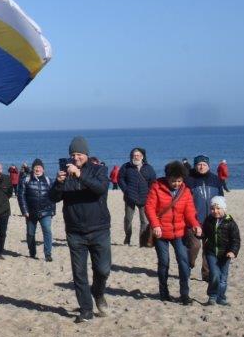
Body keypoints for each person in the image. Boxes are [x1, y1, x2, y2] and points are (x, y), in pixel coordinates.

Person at [49, 136, 112, 324]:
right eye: (73, 154)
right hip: (75, 231)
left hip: (99, 229)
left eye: (79, 154)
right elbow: (53, 198)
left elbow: (100, 188)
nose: (76, 158)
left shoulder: (99, 170)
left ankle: (98, 292)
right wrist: (58, 183)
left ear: (86, 154)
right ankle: (86, 310)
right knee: (79, 273)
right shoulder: (66, 172)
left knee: (103, 269)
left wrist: (79, 175)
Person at [145, 161, 201, 305]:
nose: (176, 184)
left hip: (179, 232)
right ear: (167, 177)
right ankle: (164, 293)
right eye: (173, 181)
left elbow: (189, 211)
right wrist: (155, 225)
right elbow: (149, 208)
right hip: (161, 233)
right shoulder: (156, 187)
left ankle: (185, 294)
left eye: (179, 181)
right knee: (164, 262)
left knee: (183, 262)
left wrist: (195, 224)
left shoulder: (186, 191)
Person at [185, 156, 225, 277]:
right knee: (195, 246)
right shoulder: (189, 180)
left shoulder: (215, 179)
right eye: (199, 164)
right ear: (195, 166)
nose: (201, 167)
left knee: (208, 248)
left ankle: (206, 273)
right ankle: (188, 264)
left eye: (204, 164)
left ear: (208, 166)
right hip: (193, 220)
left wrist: (220, 215)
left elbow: (221, 199)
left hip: (211, 220)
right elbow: (184, 201)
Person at [200, 196, 240, 306]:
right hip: (211, 252)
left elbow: (236, 240)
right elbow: (204, 234)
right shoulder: (208, 220)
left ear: (224, 209)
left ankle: (221, 297)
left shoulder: (230, 222)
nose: (215, 211)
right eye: (212, 209)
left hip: (225, 254)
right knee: (215, 274)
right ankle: (212, 296)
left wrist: (233, 251)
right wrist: (198, 234)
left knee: (223, 278)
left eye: (218, 208)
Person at [16, 159, 56, 261]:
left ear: (43, 169)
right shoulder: (26, 180)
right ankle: (32, 252)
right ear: (33, 168)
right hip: (31, 212)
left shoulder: (49, 180)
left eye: (40, 167)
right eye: (36, 167)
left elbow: (53, 196)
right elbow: (21, 196)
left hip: (46, 211)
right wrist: (24, 211)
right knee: (30, 234)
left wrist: (52, 211)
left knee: (47, 231)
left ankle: (48, 254)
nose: (38, 169)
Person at [119, 148, 157, 247]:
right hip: (130, 197)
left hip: (144, 198)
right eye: (134, 155)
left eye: (138, 155)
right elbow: (120, 179)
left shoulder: (149, 168)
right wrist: (126, 190)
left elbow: (153, 182)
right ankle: (128, 237)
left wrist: (150, 193)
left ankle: (142, 242)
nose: (136, 157)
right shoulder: (126, 167)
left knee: (144, 221)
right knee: (128, 219)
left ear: (142, 157)